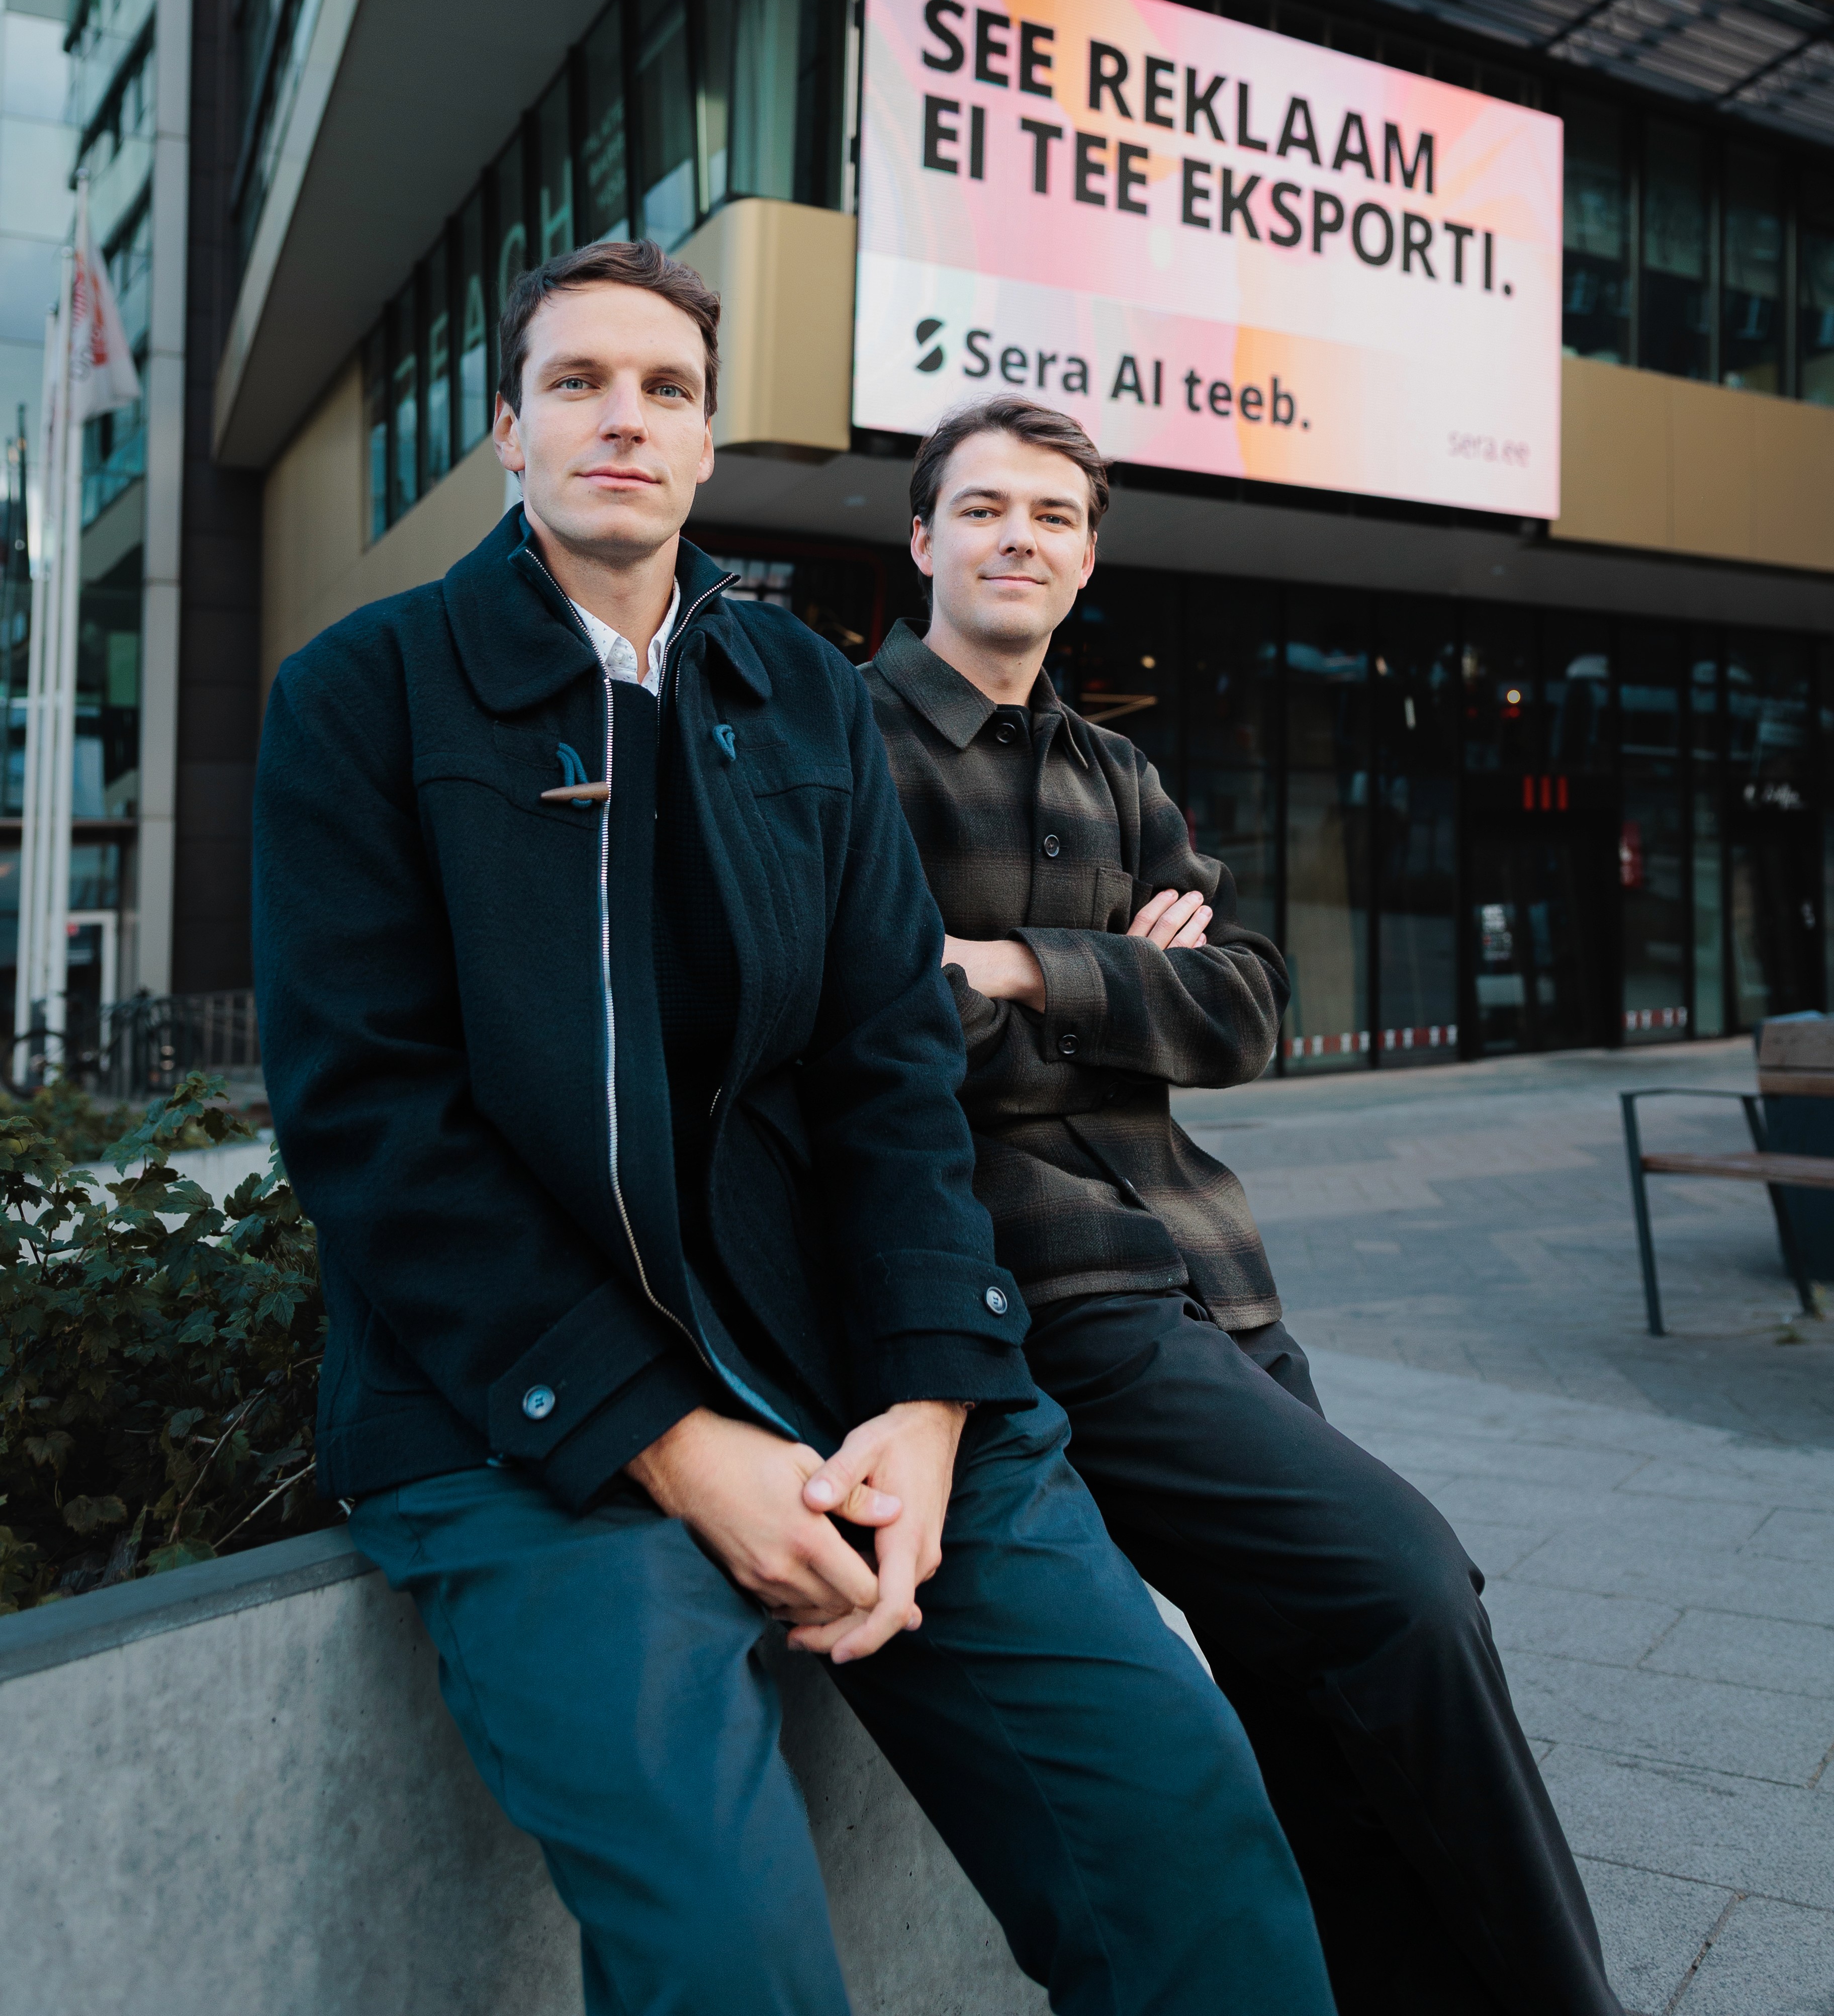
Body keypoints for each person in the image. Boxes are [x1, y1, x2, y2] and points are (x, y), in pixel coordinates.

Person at [252, 243, 1334, 2016]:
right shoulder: (363, 695)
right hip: (529, 1420)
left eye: (668, 391)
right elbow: (374, 1124)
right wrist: (676, 1447)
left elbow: (886, 1070)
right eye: (583, 384)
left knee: (1189, 1820)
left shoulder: (797, 696)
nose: (627, 419)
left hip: (863, 1378)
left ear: (705, 446)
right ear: (509, 434)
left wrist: (925, 1397)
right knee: (734, 1955)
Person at [865, 393, 1624, 2016]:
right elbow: (870, 1021)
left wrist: (1014, 966)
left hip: (1218, 1272)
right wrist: (1135, 976)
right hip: (1052, 1283)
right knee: (1404, 1587)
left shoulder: (1116, 764)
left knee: (1317, 1668)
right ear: (922, 539)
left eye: (1055, 518)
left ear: (1086, 561)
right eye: (984, 508)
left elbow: (1255, 1009)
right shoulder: (843, 749)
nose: (1020, 538)